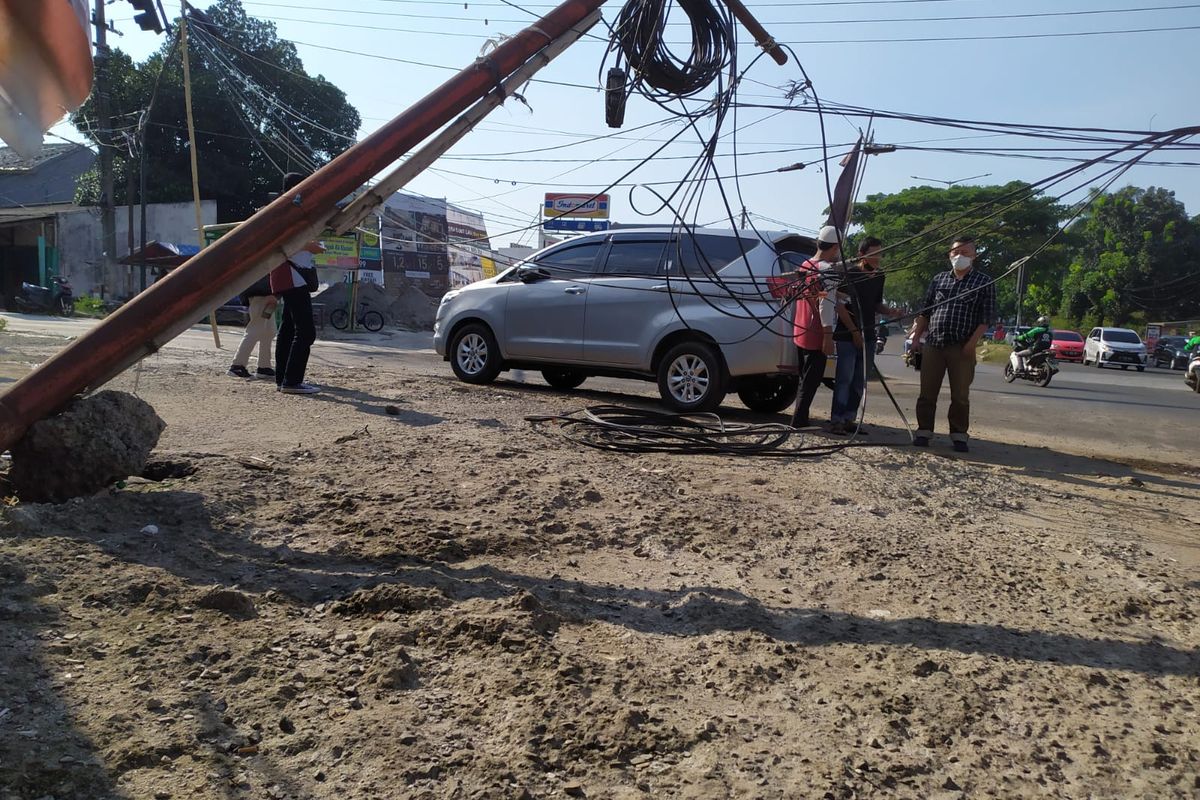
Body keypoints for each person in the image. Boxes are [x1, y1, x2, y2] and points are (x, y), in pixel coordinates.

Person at [908, 235, 995, 452]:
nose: (959, 256)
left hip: (962, 347)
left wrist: (971, 345)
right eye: (956, 252)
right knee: (927, 393)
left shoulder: (984, 282)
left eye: (965, 253)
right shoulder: (938, 280)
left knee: (960, 395)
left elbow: (987, 319)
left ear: (974, 256)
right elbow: (925, 312)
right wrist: (916, 339)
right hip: (934, 344)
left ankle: (959, 435)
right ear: (949, 254)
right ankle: (924, 431)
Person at [828, 237, 899, 434]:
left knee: (860, 379)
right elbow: (840, 306)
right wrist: (854, 332)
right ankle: (836, 421)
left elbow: (876, 304)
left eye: (879, 253)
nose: (878, 257)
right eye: (873, 253)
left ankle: (850, 419)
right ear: (862, 254)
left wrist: (890, 311)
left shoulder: (879, 276)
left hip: (868, 334)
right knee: (844, 378)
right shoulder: (850, 274)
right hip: (847, 335)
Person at [271, 172, 325, 395]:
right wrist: (308, 247)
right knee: (306, 332)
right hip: (292, 275)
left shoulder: (285, 208)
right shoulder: (288, 209)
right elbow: (283, 242)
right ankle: (292, 381)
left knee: (288, 328)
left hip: (287, 274)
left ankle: (283, 377)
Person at [789, 225, 842, 427]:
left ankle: (799, 418)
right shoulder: (827, 271)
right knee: (810, 381)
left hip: (800, 329)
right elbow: (825, 305)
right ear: (835, 247)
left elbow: (815, 295)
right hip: (816, 333)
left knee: (804, 378)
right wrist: (827, 337)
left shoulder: (805, 265)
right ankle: (799, 421)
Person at [227, 275, 277, 380]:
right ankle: (237, 365)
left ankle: (264, 366)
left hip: (263, 293)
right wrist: (270, 292)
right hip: (262, 293)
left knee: (268, 331)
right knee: (256, 329)